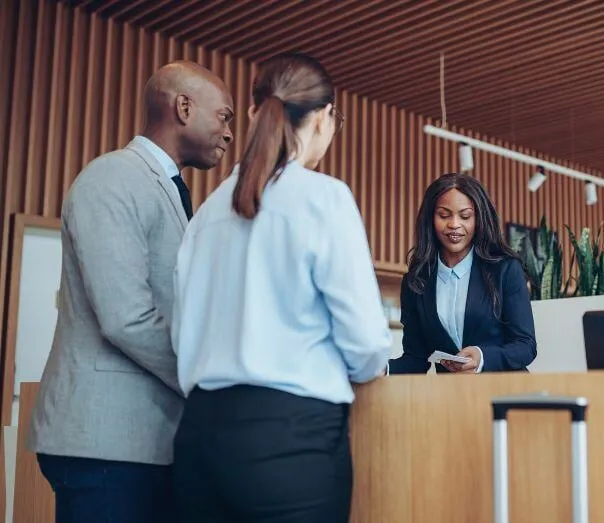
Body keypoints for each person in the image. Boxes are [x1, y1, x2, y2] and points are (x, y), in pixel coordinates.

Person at [170, 53, 391, 523]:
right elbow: (368, 343)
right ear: (325, 118)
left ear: (254, 114)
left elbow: (180, 333)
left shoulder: (207, 212)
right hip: (291, 440)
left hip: (199, 438)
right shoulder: (323, 198)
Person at [27, 61, 234, 523]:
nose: (229, 134)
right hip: (106, 442)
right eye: (224, 116)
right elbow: (125, 316)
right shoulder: (114, 178)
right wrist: (208, 380)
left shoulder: (169, 191)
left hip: (144, 444)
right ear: (184, 106)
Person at [388, 172, 537, 374]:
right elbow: (415, 359)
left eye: (465, 216)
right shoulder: (417, 281)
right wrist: (382, 368)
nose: (454, 224)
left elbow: (525, 346)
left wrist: (482, 357)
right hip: (453, 397)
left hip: (505, 393)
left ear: (478, 219)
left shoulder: (505, 269)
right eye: (444, 215)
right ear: (431, 219)